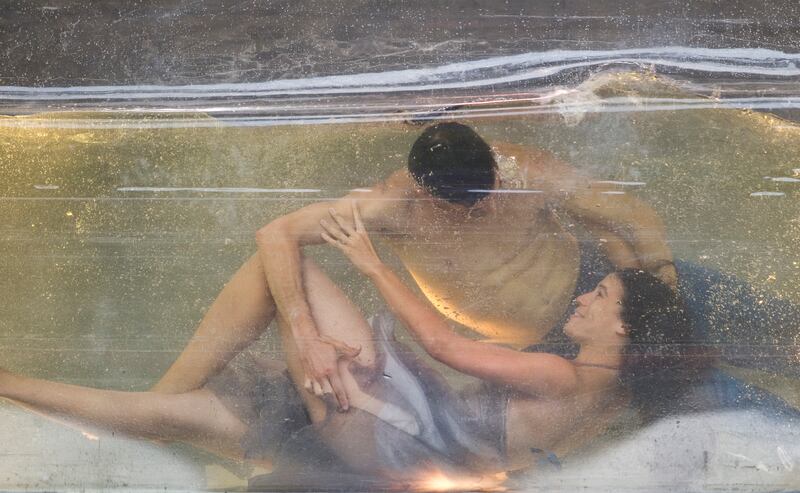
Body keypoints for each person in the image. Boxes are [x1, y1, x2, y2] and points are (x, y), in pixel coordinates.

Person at [0, 203, 703, 489]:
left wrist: (370, 263)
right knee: (168, 419)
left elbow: (442, 343)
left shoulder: (563, 376)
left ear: (624, 329)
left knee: (287, 266)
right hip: (397, 444)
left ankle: (172, 390)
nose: (582, 298)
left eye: (600, 297)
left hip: (386, 432)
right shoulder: (610, 400)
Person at [150, 121, 684, 411]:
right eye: (466, 206)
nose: (485, 208)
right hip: (531, 348)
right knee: (651, 405)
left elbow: (629, 213)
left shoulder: (523, 170)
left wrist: (662, 279)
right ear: (426, 194)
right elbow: (276, 234)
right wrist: (305, 332)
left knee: (701, 340)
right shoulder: (392, 207)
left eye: (490, 190)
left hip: (599, 295)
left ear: (494, 166)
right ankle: (161, 407)